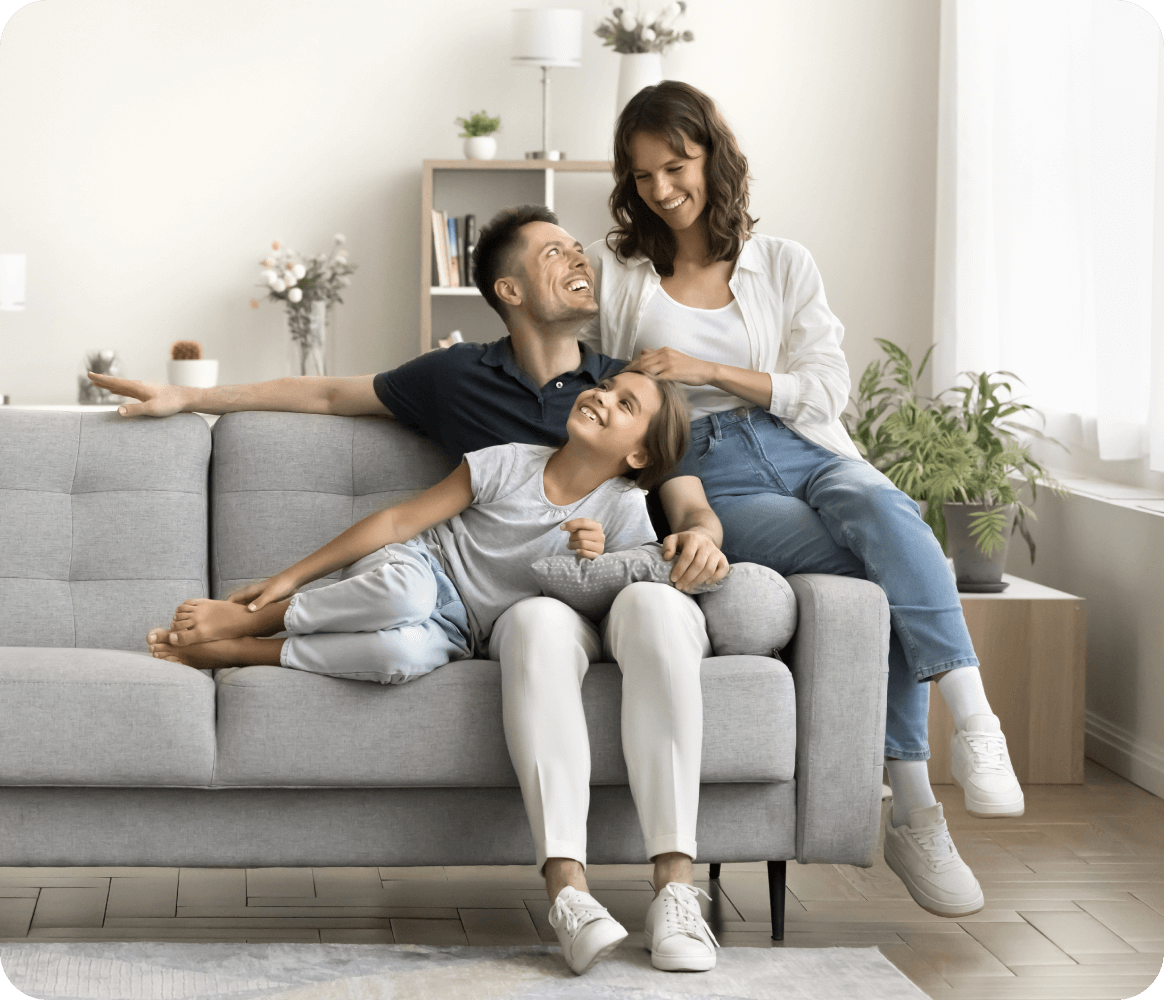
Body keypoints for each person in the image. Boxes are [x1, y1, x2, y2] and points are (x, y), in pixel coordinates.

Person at [87, 205, 726, 975]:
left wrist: (701, 536)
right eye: (553, 251)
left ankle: (677, 892)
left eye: (573, 245)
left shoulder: (621, 381)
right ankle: (567, 892)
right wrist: (190, 398)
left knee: (641, 606)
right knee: (513, 622)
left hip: (604, 592)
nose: (578, 256)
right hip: (500, 606)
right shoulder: (459, 379)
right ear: (510, 290)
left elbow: (676, 486)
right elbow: (327, 396)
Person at [582, 80, 1027, 919]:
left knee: (893, 519)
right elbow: (580, 373)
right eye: (642, 176)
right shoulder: (619, 272)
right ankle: (916, 808)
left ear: (714, 155)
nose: (662, 190)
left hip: (799, 440)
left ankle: (975, 724)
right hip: (708, 469)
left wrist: (711, 369)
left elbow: (827, 391)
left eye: (676, 166)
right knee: (874, 580)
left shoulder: (781, 261)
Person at [145, 369, 687, 687]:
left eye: (625, 404)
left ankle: (242, 654)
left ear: (640, 453)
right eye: (607, 386)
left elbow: (626, 586)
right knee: (404, 593)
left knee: (397, 659)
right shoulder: (508, 462)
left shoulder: (624, 508)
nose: (600, 395)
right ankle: (256, 622)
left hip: (462, 632)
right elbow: (399, 520)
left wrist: (595, 557)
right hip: (417, 566)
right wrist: (287, 579)